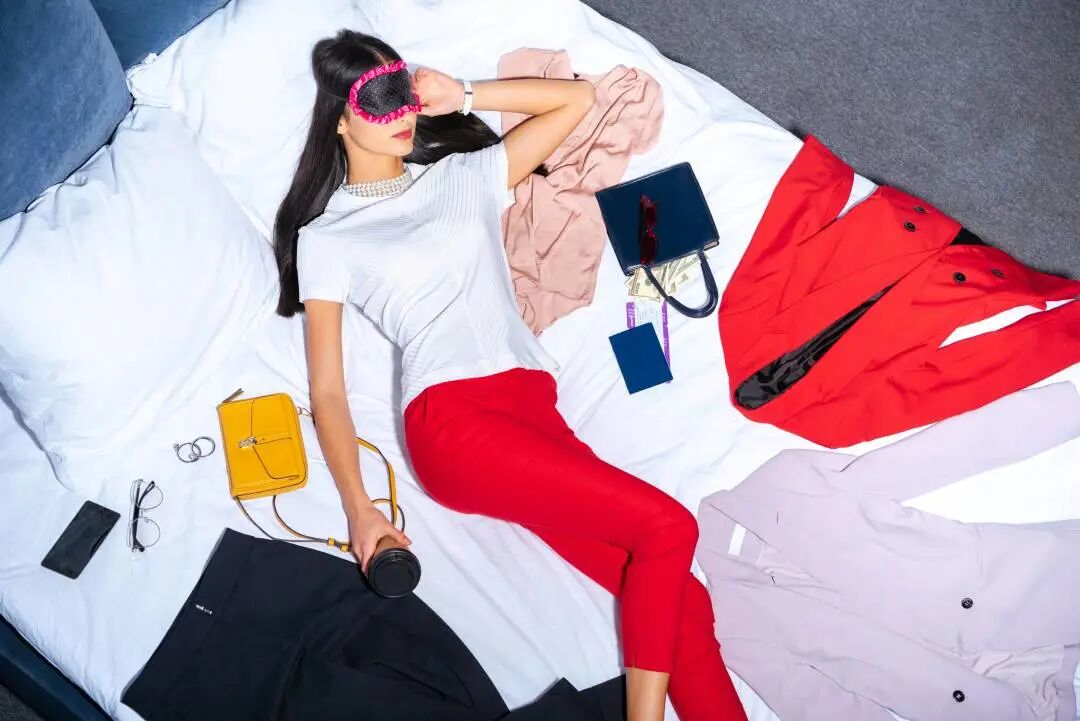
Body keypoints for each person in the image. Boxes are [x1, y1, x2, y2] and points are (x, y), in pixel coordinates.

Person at [272, 29, 747, 721]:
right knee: (667, 528)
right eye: (377, 98)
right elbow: (328, 391)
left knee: (684, 601)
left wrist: (462, 93)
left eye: (402, 89)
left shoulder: (460, 177)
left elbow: (576, 101)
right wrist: (360, 508)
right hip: (455, 426)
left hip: (534, 409)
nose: (400, 111)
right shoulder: (329, 238)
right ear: (341, 121)